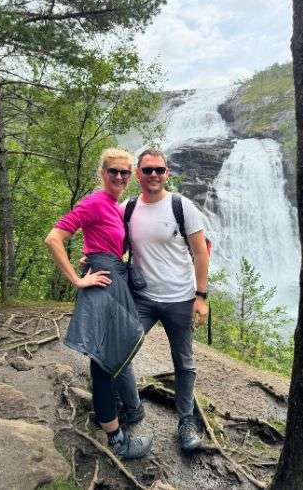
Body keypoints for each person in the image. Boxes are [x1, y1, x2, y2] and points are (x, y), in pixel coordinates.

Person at [44, 148, 152, 460]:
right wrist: (78, 280)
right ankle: (117, 440)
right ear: (102, 173)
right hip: (103, 285)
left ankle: (129, 411)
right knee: (103, 362)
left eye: (125, 172)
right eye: (113, 171)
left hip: (113, 280)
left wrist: (90, 254)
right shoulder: (94, 201)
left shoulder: (116, 206)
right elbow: (54, 238)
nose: (119, 177)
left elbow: (101, 240)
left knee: (116, 351)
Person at [114, 148, 210, 453]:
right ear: (137, 174)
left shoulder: (182, 207)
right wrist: (91, 257)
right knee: (119, 353)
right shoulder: (127, 209)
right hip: (141, 298)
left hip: (181, 298)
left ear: (167, 173)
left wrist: (201, 296)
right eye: (147, 170)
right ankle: (132, 407)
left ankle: (186, 421)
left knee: (184, 363)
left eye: (159, 169)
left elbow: (200, 253)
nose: (154, 175)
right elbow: (109, 238)